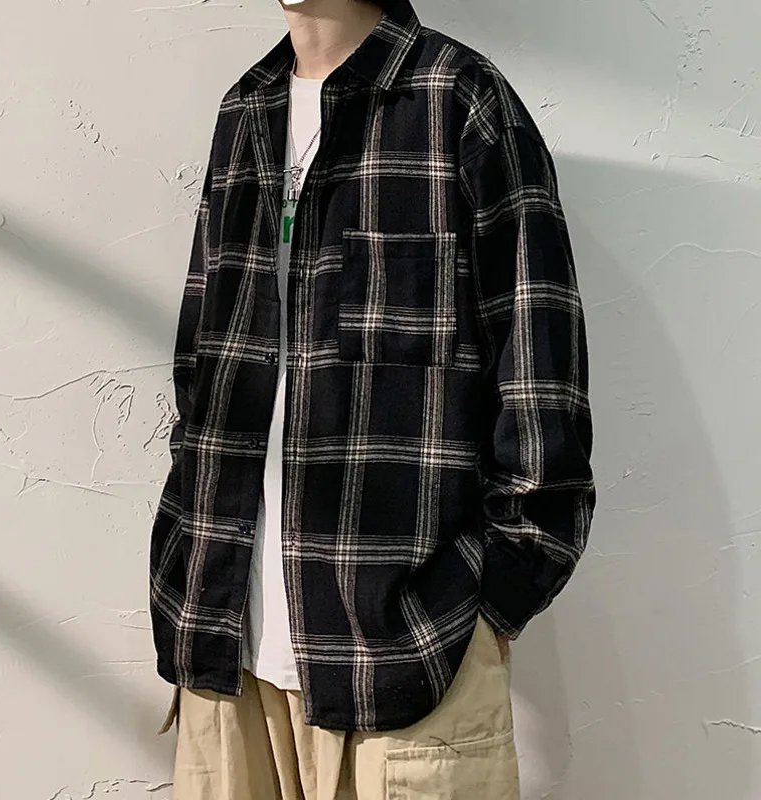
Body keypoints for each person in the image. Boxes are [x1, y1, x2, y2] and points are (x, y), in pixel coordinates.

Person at [149, 0, 595, 797]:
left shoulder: (460, 100)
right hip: (225, 651)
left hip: (410, 654)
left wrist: (498, 599)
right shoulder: (246, 109)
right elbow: (202, 364)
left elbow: (541, 372)